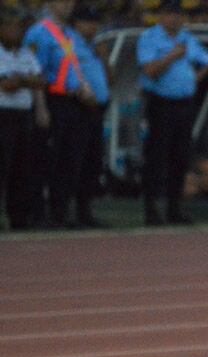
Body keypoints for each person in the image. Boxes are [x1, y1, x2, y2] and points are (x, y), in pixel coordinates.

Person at [137, 0, 208, 225]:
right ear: (161, 16)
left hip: (184, 104)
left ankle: (174, 208)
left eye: (179, 15)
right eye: (171, 15)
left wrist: (192, 79)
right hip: (160, 103)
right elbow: (149, 71)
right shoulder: (150, 38)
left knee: (179, 158)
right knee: (156, 157)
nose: (175, 19)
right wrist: (172, 56)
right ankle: (151, 209)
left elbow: (207, 61)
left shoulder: (186, 38)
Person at [23, 0, 94, 228]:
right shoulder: (39, 33)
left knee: (68, 159)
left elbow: (72, 65)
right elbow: (36, 71)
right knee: (46, 160)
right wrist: (41, 107)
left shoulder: (68, 34)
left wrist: (83, 86)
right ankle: (38, 213)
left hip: (71, 101)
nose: (68, 6)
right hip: (52, 99)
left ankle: (60, 212)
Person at [0, 9, 46, 230]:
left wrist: (21, 80)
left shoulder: (27, 54)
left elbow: (41, 81)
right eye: (10, 26)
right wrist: (26, 80)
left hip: (23, 115)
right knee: (3, 167)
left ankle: (19, 217)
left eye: (18, 27)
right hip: (3, 116)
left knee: (22, 168)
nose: (15, 31)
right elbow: (7, 86)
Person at [72, 5, 109, 228]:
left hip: (98, 110)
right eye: (88, 21)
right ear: (77, 23)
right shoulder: (70, 44)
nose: (93, 26)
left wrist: (104, 58)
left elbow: (110, 78)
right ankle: (69, 211)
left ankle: (85, 211)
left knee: (92, 162)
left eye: (95, 22)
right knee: (75, 160)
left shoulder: (96, 46)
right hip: (78, 107)